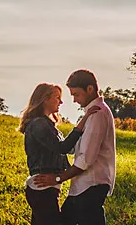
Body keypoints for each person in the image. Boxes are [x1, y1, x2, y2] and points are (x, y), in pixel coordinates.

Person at [34, 69, 116, 225]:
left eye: (76, 94)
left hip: (91, 185)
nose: (74, 100)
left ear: (90, 89)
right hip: (83, 186)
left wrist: (57, 178)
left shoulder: (97, 114)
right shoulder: (92, 114)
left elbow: (86, 159)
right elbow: (74, 148)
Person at [17, 83, 91, 225]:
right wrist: (84, 120)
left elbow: (69, 149)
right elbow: (62, 147)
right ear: (45, 99)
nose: (61, 102)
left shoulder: (49, 125)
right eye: (57, 98)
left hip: (47, 190)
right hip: (42, 189)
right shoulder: (39, 124)